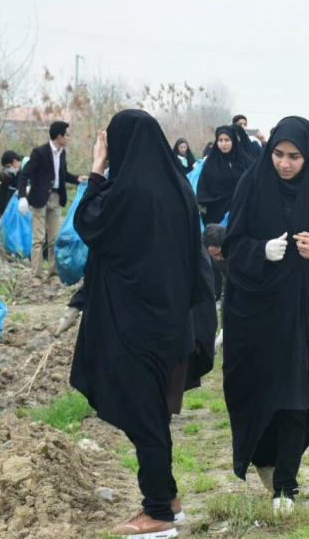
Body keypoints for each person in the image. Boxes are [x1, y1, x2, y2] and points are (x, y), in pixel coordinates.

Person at [70, 110, 207, 538]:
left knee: (144, 417)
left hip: (134, 324)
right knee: (152, 414)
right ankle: (169, 501)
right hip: (170, 321)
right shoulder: (176, 186)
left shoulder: (132, 194)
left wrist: (96, 167)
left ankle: (157, 515)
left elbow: (87, 221)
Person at [222, 116, 309, 515]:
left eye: (294, 156)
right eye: (278, 154)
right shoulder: (252, 183)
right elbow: (231, 245)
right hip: (256, 312)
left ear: (308, 155)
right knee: (260, 389)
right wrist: (261, 250)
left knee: (297, 394)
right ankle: (265, 458)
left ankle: (285, 486)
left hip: (306, 311)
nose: (284, 163)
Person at [17, 121, 88, 287]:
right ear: (59, 136)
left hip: (56, 199)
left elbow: (62, 175)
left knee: (54, 239)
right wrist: (22, 197)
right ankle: (36, 277)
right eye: (67, 135)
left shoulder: (62, 153)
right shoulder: (39, 152)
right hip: (39, 200)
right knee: (38, 239)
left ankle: (53, 275)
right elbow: (24, 175)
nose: (69, 138)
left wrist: (77, 178)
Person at [196, 126, 248, 226]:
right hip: (216, 214)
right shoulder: (210, 163)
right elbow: (202, 190)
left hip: (241, 212)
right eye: (220, 140)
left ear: (233, 140)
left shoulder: (244, 161)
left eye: (227, 140)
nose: (223, 144)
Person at [0, 151, 23, 243]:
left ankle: (16, 241)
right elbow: (2, 192)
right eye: (6, 167)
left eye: (9, 166)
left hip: (21, 194)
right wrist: (1, 209)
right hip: (7, 192)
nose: (8, 169)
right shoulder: (5, 174)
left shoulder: (25, 166)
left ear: (15, 162)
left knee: (17, 217)